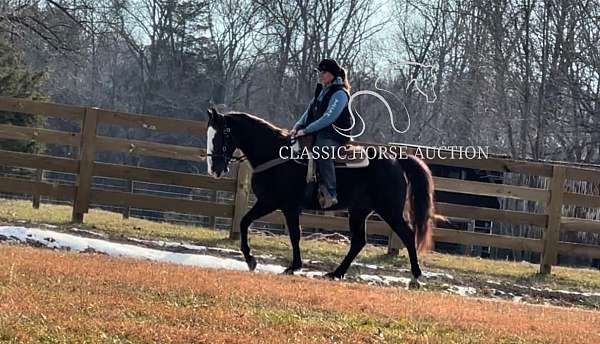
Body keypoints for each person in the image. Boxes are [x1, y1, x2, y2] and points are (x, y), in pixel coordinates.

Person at [290, 58, 353, 209]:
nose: (321, 75)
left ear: (332, 74)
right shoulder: (323, 90)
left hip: (335, 136)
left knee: (321, 151)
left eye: (323, 72)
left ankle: (331, 193)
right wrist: (297, 126)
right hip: (321, 133)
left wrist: (307, 130)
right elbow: (309, 111)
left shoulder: (340, 94)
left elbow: (329, 117)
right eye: (320, 72)